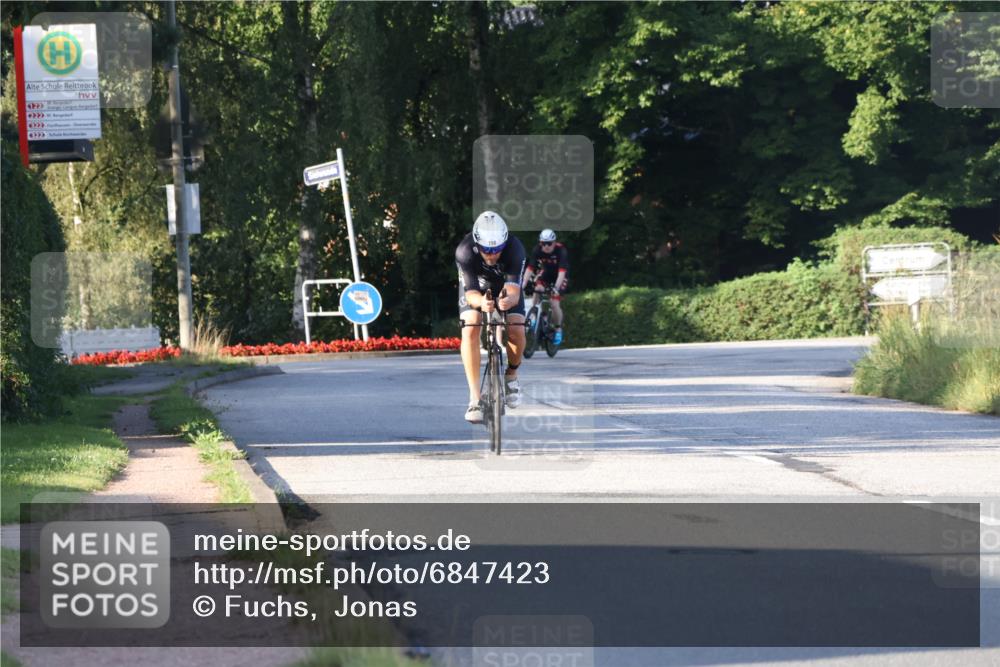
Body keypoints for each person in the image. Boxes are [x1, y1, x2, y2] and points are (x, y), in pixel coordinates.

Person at [455, 211, 527, 423]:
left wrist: (508, 301)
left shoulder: (515, 248)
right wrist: (482, 303)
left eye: (497, 249)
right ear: (477, 243)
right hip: (476, 287)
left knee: (516, 327)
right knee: (470, 326)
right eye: (487, 249)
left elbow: (514, 291)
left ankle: (511, 376)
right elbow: (470, 293)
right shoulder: (465, 250)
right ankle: (475, 399)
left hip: (505, 286)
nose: (492, 254)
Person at [522, 229, 568, 345]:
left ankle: (558, 329)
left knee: (554, 303)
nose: (546, 246)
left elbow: (562, 273)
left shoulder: (560, 250)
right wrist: (523, 283)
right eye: (543, 243)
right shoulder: (537, 249)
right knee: (537, 289)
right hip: (546, 274)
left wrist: (556, 289)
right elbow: (530, 268)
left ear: (554, 242)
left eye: (549, 243)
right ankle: (534, 313)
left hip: (560, 276)